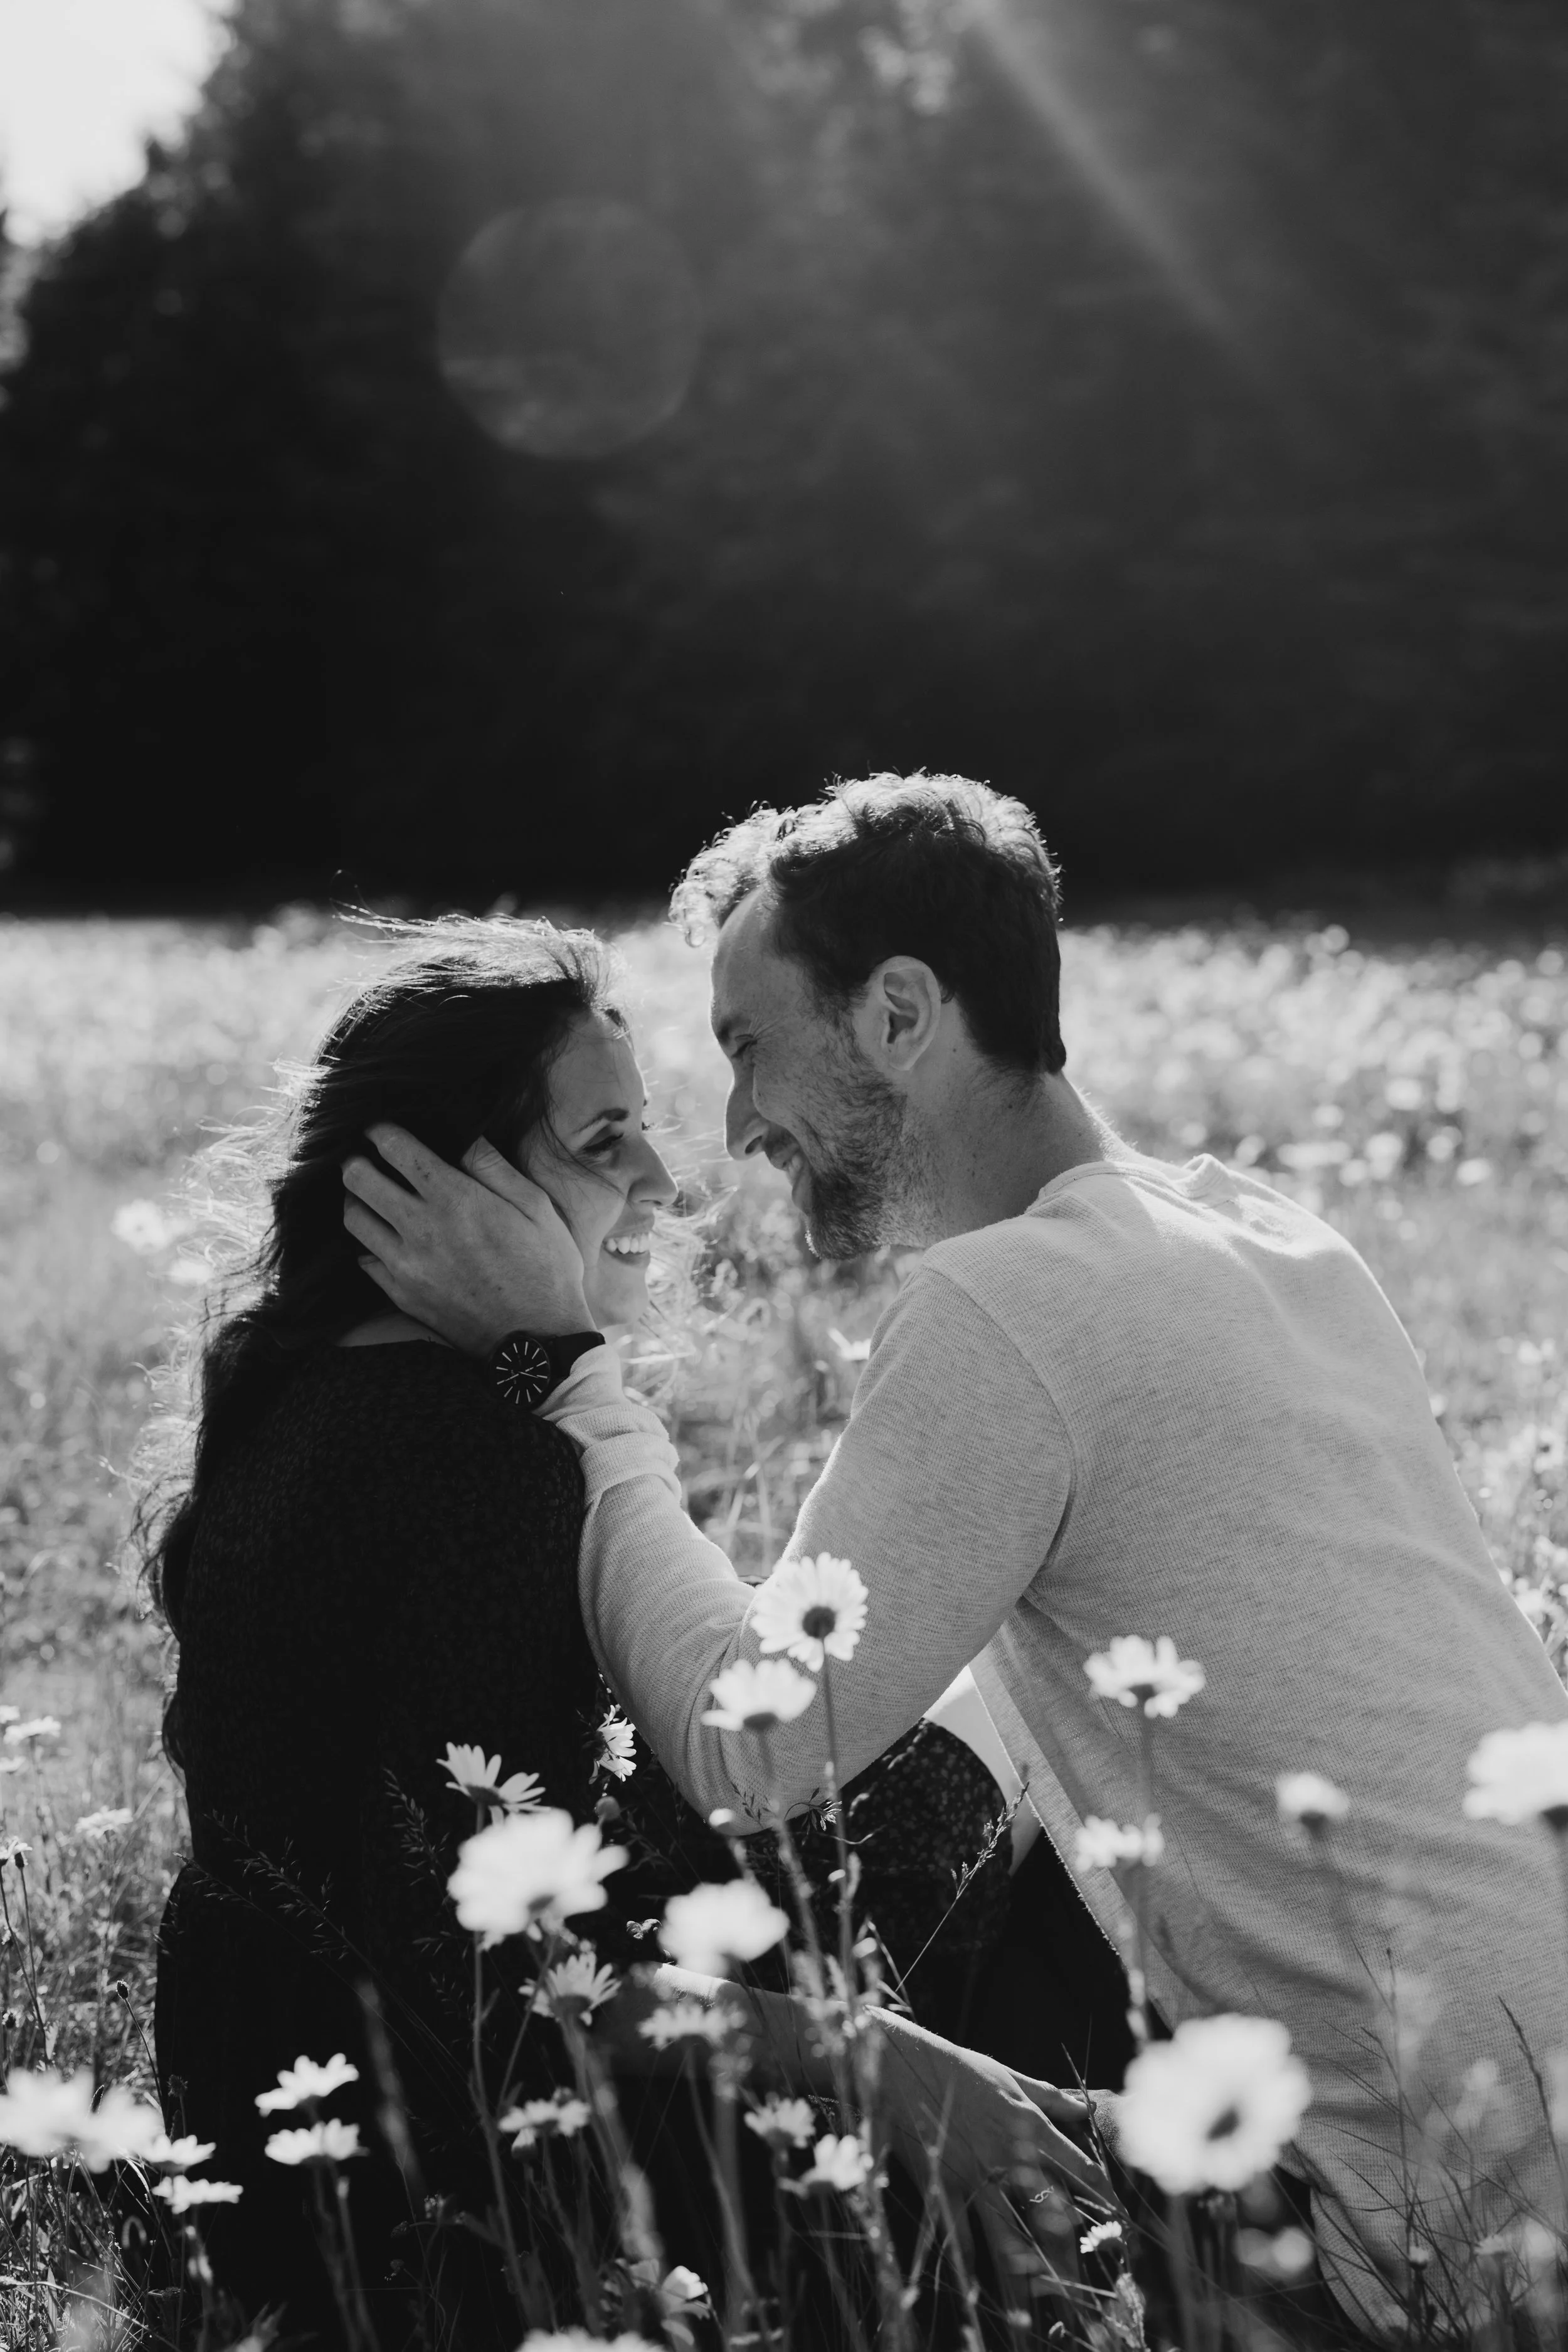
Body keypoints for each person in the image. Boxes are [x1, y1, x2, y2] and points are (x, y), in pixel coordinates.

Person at [344, 775, 1568, 2338]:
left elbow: (748, 1746)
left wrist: (563, 1371)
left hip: (1406, 2221)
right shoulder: (1272, 1240)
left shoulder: (1006, 1306)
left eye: (747, 1044)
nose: (736, 1125)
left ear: (900, 1014)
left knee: (807, 2178)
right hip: (1528, 2103)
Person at [144, 914, 1083, 2349]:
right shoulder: (477, 1467)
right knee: (995, 1740)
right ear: (446, 1184)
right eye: (602, 1141)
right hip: (479, 2177)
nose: (661, 1175)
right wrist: (878, 2058)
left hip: (261, 2131)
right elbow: (519, 1992)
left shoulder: (293, 1398)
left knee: (931, 1759)